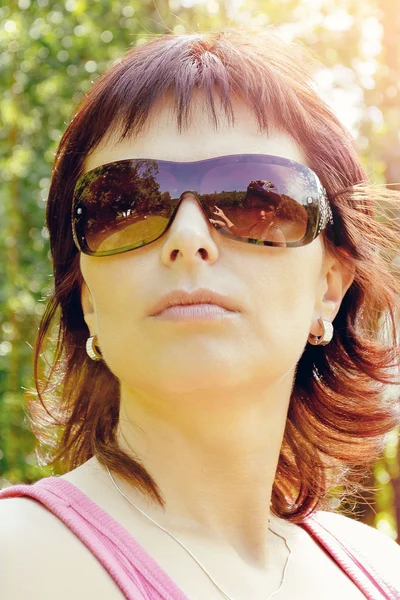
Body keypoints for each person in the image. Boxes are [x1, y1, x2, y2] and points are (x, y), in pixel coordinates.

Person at [1, 28, 400, 600]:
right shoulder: (15, 562)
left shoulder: (383, 571)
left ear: (330, 287)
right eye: (126, 206)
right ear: (87, 298)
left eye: (254, 202)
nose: (188, 239)